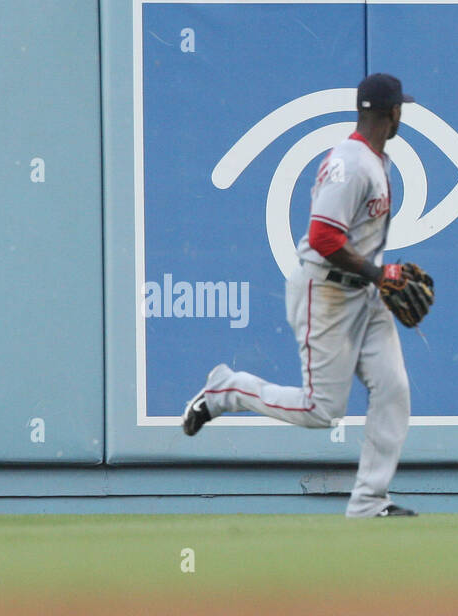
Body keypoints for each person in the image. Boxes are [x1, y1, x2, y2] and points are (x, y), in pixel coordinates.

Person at [182, 74, 429, 518]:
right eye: (400, 110)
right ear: (392, 113)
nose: (401, 117)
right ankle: (227, 390)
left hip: (364, 296)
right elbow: (322, 238)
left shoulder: (375, 160)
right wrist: (378, 272)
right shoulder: (349, 163)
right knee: (321, 411)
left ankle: (370, 503)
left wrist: (376, 278)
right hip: (326, 292)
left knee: (393, 390)